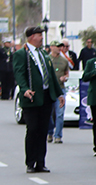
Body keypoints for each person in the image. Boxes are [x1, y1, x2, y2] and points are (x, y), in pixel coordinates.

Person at [14, 26, 65, 173]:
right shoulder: (22, 54)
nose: (42, 38)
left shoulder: (43, 54)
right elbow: (19, 73)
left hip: (46, 97)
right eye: (39, 35)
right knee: (33, 129)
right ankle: (30, 162)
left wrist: (59, 94)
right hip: (31, 97)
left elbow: (51, 76)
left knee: (43, 130)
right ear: (31, 37)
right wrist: (24, 89)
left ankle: (40, 162)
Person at [47, 40, 71, 144]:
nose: (59, 48)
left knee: (60, 113)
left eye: (60, 46)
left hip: (60, 89)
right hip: (49, 89)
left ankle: (58, 136)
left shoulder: (64, 60)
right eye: (57, 46)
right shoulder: (47, 59)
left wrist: (65, 77)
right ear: (51, 47)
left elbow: (67, 73)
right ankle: (50, 132)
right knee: (48, 113)